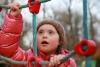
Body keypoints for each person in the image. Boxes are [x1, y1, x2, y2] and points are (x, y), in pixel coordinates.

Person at [0, 2, 77, 67]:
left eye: (50, 32)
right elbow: (8, 49)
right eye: (40, 32)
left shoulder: (67, 60)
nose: (44, 35)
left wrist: (63, 63)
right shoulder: (26, 58)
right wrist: (14, 18)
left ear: (60, 41)